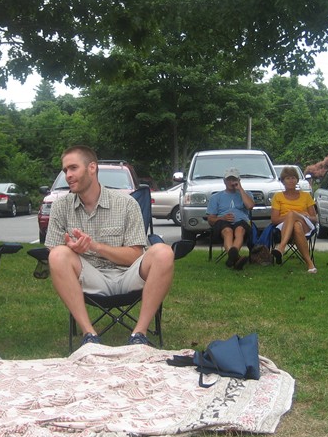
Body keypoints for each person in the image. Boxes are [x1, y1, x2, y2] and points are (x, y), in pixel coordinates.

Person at [45, 145, 175, 348]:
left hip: (127, 276)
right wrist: (71, 249)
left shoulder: (126, 203)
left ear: (92, 168)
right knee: (57, 255)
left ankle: (139, 334)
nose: (67, 175)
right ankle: (89, 335)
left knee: (164, 252)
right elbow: (54, 253)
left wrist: (95, 246)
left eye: (73, 168)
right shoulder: (61, 206)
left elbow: (135, 256)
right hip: (89, 278)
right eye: (65, 170)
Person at [270, 166, 318, 273]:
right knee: (296, 225)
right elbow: (274, 220)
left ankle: (281, 247)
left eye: (293, 178)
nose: (291, 180)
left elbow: (314, 218)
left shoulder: (306, 196)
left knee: (292, 214)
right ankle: (310, 264)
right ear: (283, 181)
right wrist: (291, 217)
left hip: (305, 224)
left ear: (297, 180)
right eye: (287, 178)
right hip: (284, 226)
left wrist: (300, 215)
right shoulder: (278, 196)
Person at [205, 167, 255, 269]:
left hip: (242, 223)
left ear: (239, 180)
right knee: (228, 231)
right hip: (222, 224)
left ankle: (233, 257)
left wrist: (240, 189)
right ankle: (235, 257)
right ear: (224, 181)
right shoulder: (216, 197)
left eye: (234, 179)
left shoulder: (247, 194)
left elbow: (250, 206)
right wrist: (222, 218)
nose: (231, 182)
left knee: (240, 230)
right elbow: (210, 220)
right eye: (229, 179)